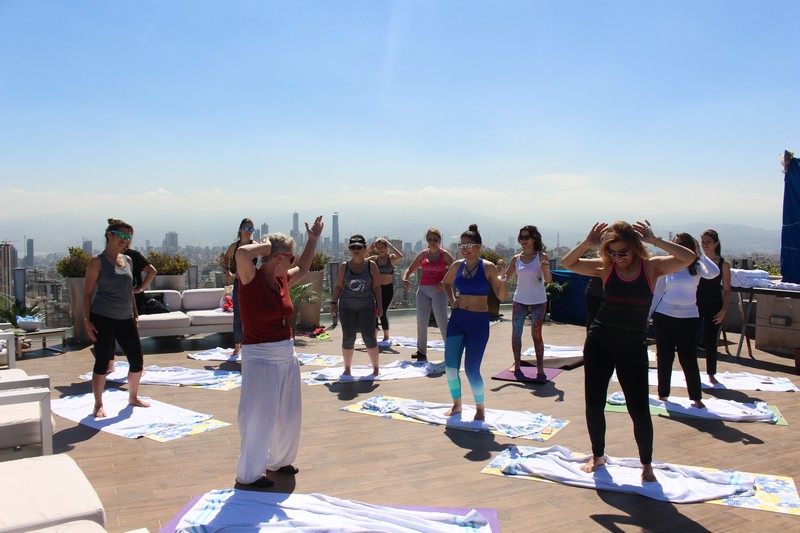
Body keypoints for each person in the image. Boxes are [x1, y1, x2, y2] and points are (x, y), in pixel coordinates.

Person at [561, 220, 695, 482]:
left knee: (639, 408)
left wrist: (655, 240)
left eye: (623, 252)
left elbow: (688, 258)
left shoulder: (652, 267)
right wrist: (588, 243)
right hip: (600, 341)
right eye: (611, 252)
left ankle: (647, 464)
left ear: (635, 248)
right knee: (594, 403)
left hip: (632, 345)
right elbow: (568, 263)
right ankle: (598, 455)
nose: (617, 258)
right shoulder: (605, 267)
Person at [234, 215, 323, 489]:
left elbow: (306, 268)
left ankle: (279, 460)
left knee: (288, 414)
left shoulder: (282, 280)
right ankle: (249, 474)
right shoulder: (251, 278)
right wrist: (265, 247)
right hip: (260, 357)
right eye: (290, 258)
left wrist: (313, 240)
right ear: (279, 258)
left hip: (286, 355)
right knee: (259, 416)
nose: (294, 263)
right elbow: (240, 254)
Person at [83, 219, 151, 418]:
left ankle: (133, 397)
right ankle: (98, 404)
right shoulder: (97, 262)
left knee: (137, 360)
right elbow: (87, 294)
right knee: (103, 361)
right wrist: (87, 322)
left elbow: (129, 291)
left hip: (126, 317)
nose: (125, 240)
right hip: (102, 317)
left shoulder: (128, 260)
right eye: (121, 235)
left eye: (128, 237)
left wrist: (135, 314)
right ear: (109, 235)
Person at [441, 224, 508, 421]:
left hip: (478, 322)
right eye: (462, 245)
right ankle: (457, 405)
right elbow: (445, 283)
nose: (464, 248)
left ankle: (480, 407)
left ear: (478, 247)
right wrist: (452, 299)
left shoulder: (488, 267)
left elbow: (502, 296)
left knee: (471, 369)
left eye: (469, 245)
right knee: (451, 367)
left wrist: (502, 277)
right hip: (458, 319)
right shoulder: (457, 265)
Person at [651, 233, 720, 407]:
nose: (677, 248)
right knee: (664, 356)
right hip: (664, 315)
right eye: (675, 245)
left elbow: (714, 273)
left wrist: (700, 254)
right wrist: (648, 314)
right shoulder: (667, 264)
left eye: (681, 245)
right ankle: (663, 393)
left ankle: (696, 396)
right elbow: (658, 292)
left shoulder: (696, 265)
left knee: (688, 358)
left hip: (688, 317)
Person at [331, 235, 383, 375]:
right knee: (348, 336)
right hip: (346, 306)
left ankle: (376, 367)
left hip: (366, 305)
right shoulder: (344, 266)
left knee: (369, 336)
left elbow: (377, 287)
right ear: (349, 249)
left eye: (359, 247)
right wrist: (333, 303)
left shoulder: (371, 266)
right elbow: (338, 285)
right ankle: (347, 368)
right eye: (353, 247)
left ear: (365, 249)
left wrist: (379, 305)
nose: (356, 250)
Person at [503, 225, 551, 376]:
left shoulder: (541, 257)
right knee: (516, 333)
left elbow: (548, 280)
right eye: (521, 238)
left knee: (536, 334)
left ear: (534, 238)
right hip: (519, 300)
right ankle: (517, 365)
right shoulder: (516, 259)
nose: (523, 240)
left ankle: (540, 368)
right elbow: (505, 278)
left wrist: (547, 270)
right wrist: (499, 272)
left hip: (538, 300)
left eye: (526, 237)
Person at [402, 228, 454, 361]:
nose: (432, 242)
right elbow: (411, 268)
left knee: (442, 321)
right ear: (427, 240)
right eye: (430, 239)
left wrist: (443, 283)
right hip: (423, 289)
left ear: (439, 241)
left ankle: (451, 351)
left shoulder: (445, 255)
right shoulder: (423, 254)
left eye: (435, 240)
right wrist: (405, 277)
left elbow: (455, 270)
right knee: (421, 321)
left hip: (439, 291)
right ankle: (421, 351)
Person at [697, 229, 731, 384]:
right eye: (702, 241)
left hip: (714, 305)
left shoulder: (724, 264)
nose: (705, 245)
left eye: (708, 242)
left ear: (716, 243)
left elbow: (727, 289)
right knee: (691, 339)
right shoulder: (697, 261)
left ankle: (711, 373)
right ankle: (691, 371)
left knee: (710, 341)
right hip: (695, 304)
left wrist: (724, 310)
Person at [224, 219, 256, 356]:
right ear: (241, 229)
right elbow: (227, 256)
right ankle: (237, 347)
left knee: (252, 314)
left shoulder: (255, 245)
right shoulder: (234, 246)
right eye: (246, 228)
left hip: (252, 283)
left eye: (251, 229)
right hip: (239, 283)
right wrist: (228, 271)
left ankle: (252, 345)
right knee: (238, 315)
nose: (248, 232)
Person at [367, 238, 404, 342]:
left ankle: (386, 335)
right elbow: (361, 258)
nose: (380, 250)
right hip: (376, 288)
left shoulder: (391, 258)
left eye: (382, 247)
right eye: (378, 248)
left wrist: (391, 246)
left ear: (386, 247)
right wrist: (370, 248)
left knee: (382, 311)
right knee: (374, 311)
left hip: (387, 289)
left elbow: (400, 256)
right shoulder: (374, 259)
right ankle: (374, 335)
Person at [123, 234, 157, 316]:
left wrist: (140, 289)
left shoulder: (133, 255)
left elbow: (152, 271)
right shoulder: (107, 257)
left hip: (135, 299)